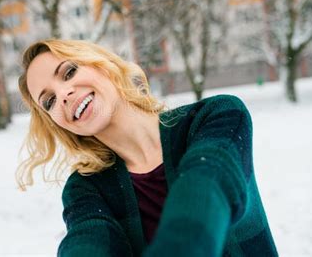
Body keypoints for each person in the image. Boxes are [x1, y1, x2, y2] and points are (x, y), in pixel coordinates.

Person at [17, 39, 278, 257]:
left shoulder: (215, 116)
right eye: (49, 101)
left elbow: (208, 185)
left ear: (101, 65)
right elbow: (88, 241)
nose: (63, 94)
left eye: (69, 72)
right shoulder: (85, 187)